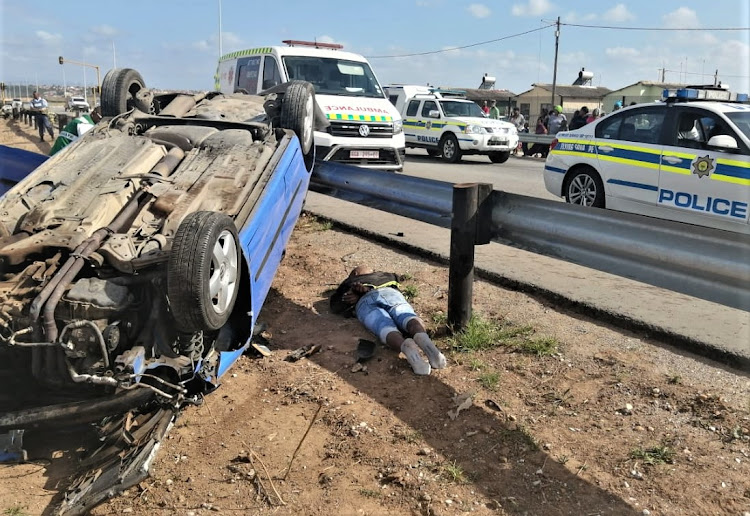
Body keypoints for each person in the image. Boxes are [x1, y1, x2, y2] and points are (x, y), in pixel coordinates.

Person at [330, 266, 447, 376]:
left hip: (364, 303)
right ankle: (423, 338)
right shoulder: (386, 276)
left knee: (383, 326)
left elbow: (335, 306)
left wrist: (359, 294)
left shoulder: (348, 284)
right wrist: (367, 289)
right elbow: (396, 279)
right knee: (406, 316)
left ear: (354, 274)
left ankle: (405, 347)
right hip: (390, 294)